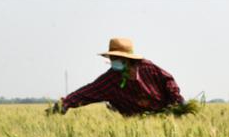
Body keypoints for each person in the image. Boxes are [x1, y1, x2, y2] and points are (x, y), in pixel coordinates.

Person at [49, 38, 185, 116]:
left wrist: (177, 101)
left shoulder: (148, 68)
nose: (113, 60)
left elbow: (168, 80)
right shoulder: (110, 80)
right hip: (137, 128)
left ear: (128, 59)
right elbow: (87, 93)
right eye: (112, 57)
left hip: (166, 118)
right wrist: (65, 103)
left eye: (117, 57)